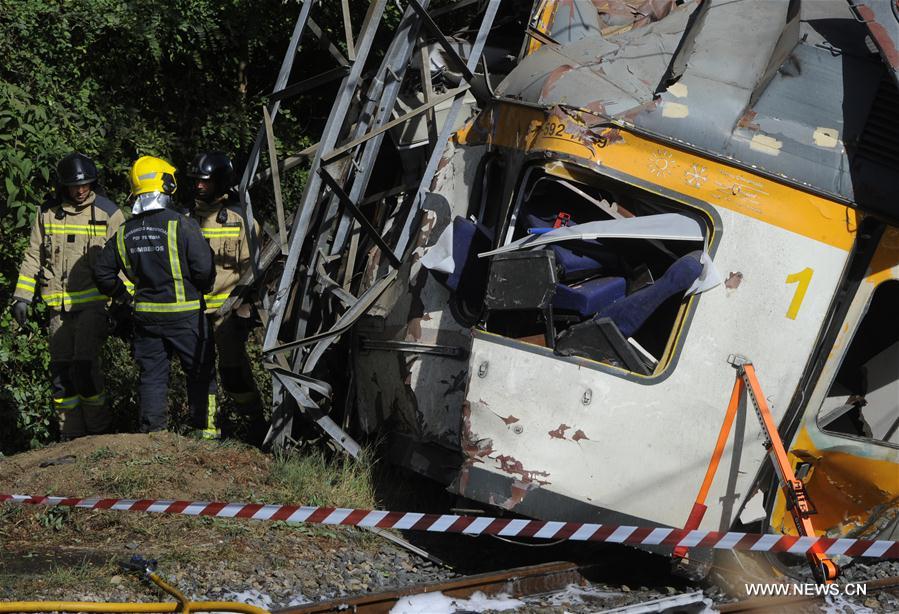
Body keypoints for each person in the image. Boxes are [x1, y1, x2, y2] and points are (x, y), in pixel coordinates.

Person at [94, 156, 216, 434]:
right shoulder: (180, 224)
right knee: (201, 373)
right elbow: (204, 269)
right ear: (167, 184)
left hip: (146, 318)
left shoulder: (125, 232)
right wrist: (202, 287)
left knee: (152, 377)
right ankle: (205, 434)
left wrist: (122, 296)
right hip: (186, 317)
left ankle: (153, 437)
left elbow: (102, 273)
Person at [12, 152, 125, 439]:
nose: (80, 190)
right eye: (75, 186)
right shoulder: (47, 212)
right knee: (62, 373)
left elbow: (125, 261)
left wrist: (125, 302)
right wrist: (22, 297)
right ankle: (70, 437)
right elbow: (32, 255)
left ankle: (97, 435)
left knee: (85, 367)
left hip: (94, 306)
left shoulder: (108, 213)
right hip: (57, 307)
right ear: (63, 185)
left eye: (86, 184)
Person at [186, 151, 264, 443]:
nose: (199, 186)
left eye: (205, 181)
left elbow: (255, 270)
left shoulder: (242, 219)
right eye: (196, 181)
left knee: (233, 372)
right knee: (200, 373)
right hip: (193, 311)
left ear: (220, 181)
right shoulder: (185, 219)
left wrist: (246, 307)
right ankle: (206, 431)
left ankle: (253, 423)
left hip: (228, 315)